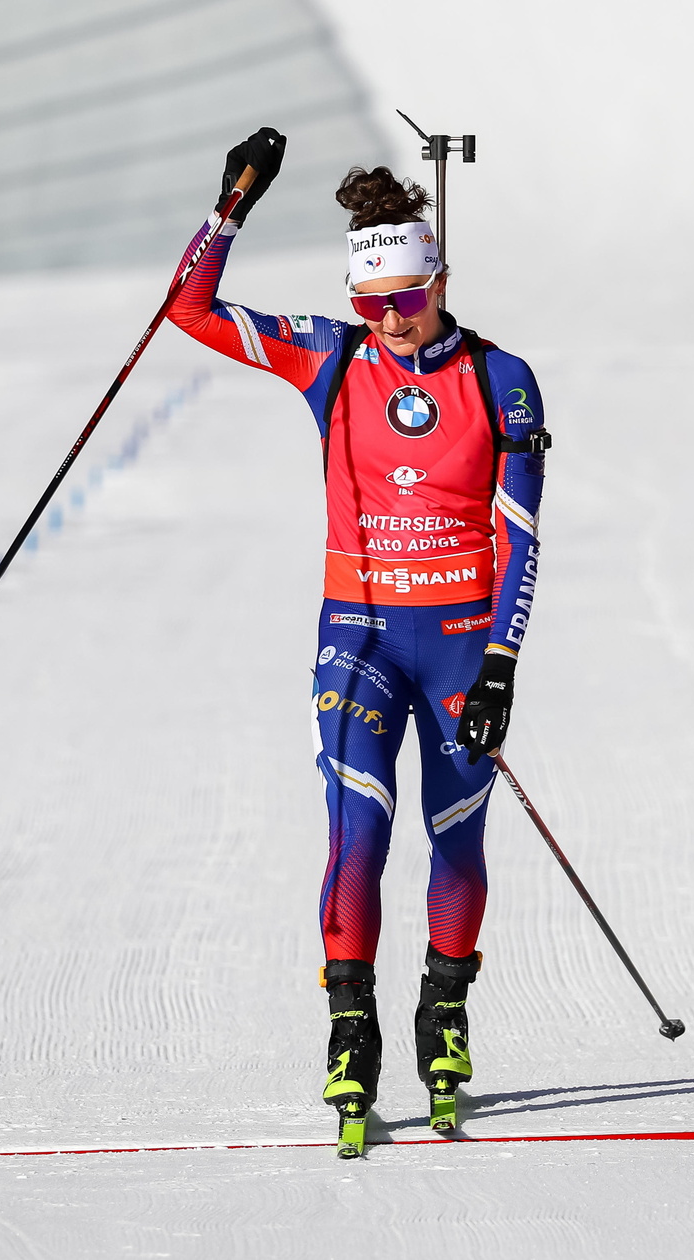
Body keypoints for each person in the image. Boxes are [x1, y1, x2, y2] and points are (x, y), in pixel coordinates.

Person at [167, 127, 548, 1138]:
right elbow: (189, 311)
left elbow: (519, 531)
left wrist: (503, 662)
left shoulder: (502, 379)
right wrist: (228, 209)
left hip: (465, 643)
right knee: (358, 836)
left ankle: (446, 1013)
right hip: (362, 642)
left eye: (409, 300)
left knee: (454, 843)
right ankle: (351, 1031)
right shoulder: (332, 357)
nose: (391, 322)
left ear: (441, 281)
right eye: (371, 304)